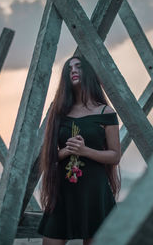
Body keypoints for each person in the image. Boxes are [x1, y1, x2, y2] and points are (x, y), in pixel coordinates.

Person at [37, 55, 121, 245]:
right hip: (63, 191)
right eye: (69, 68)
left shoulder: (105, 112)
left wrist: (85, 151)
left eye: (78, 67)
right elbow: (49, 158)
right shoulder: (59, 113)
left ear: (89, 73)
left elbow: (115, 156)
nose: (73, 70)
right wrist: (67, 151)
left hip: (95, 191)